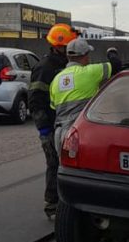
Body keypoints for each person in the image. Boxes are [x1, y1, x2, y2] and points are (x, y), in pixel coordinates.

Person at [28, 22, 76, 217]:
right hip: (50, 125)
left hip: (63, 123)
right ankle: (52, 205)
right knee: (54, 164)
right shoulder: (45, 68)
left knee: (66, 164)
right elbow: (35, 101)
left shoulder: (65, 65)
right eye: (68, 46)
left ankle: (66, 203)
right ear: (59, 46)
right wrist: (44, 129)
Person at [50, 37, 117, 154]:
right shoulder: (90, 72)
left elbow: (53, 108)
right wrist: (111, 52)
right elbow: (116, 65)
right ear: (85, 55)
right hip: (80, 133)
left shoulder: (56, 79)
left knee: (65, 169)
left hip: (60, 135)